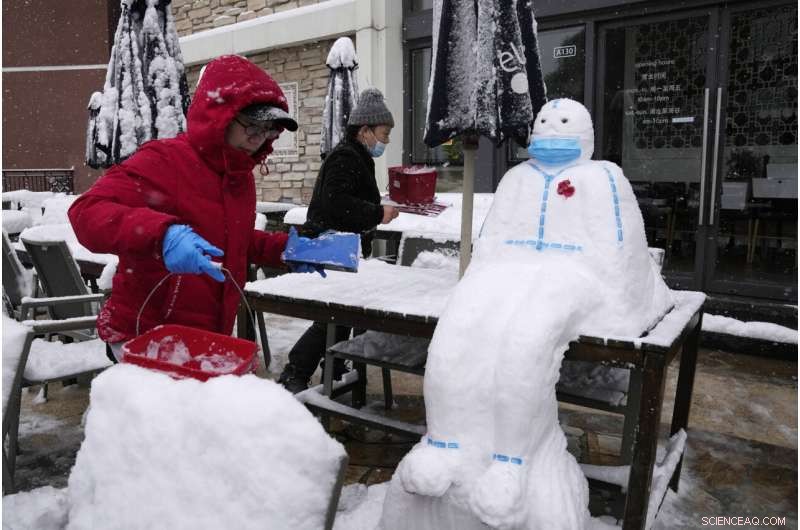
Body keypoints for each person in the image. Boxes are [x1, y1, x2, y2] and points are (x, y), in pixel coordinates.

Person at [69, 55, 306, 361]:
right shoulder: (165, 160)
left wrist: (287, 249)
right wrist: (162, 235)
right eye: (251, 125)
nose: (257, 139)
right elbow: (86, 212)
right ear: (219, 115)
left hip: (204, 334)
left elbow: (233, 240)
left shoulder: (239, 175)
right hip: (146, 334)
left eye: (267, 131)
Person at [278, 87, 400, 393]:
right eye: (383, 134)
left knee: (341, 316)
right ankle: (296, 372)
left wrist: (377, 207)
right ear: (366, 130)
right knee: (333, 317)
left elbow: (349, 198)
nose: (385, 142)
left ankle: (333, 365)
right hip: (331, 248)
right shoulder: (346, 156)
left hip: (343, 248)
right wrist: (376, 212)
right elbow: (335, 202)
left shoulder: (356, 156)